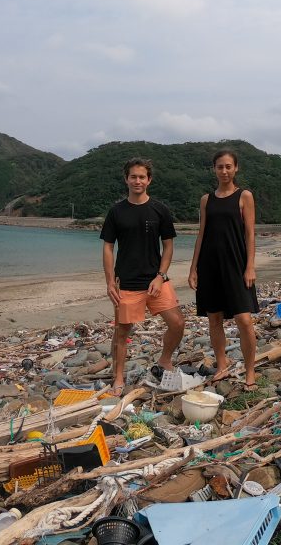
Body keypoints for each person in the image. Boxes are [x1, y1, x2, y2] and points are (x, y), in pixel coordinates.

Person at [101, 157, 185, 396]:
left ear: (149, 180)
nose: (137, 181)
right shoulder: (116, 211)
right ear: (126, 179)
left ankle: (165, 359)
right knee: (122, 332)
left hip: (155, 280)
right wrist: (109, 282)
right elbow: (108, 247)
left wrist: (161, 276)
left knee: (178, 322)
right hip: (126, 283)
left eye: (142, 177)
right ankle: (118, 377)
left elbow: (168, 246)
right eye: (133, 176)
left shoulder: (160, 209)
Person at [188, 149, 258, 390]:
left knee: (244, 319)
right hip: (209, 265)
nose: (224, 171)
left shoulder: (244, 196)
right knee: (214, 318)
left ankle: (250, 372)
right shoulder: (206, 199)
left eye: (229, 166)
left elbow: (250, 234)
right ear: (214, 169)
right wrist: (193, 268)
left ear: (235, 168)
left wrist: (250, 266)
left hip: (237, 264)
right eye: (220, 167)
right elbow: (201, 234)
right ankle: (222, 366)